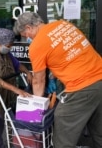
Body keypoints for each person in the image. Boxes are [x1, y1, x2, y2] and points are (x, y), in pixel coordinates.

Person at [13, 12, 102, 148]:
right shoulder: (64, 25)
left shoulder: (37, 45)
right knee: (98, 129)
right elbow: (68, 54)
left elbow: (38, 81)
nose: (28, 39)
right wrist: (54, 75)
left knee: (61, 118)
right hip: (100, 78)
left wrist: (36, 109)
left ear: (28, 28)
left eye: (26, 36)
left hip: (82, 86)